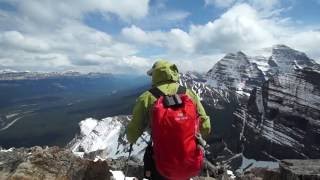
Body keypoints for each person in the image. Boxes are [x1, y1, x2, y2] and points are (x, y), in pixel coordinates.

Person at [126, 60, 211, 179]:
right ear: (174, 73)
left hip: (161, 162)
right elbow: (206, 126)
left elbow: (132, 135)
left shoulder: (147, 97)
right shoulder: (189, 94)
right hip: (188, 159)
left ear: (155, 75)